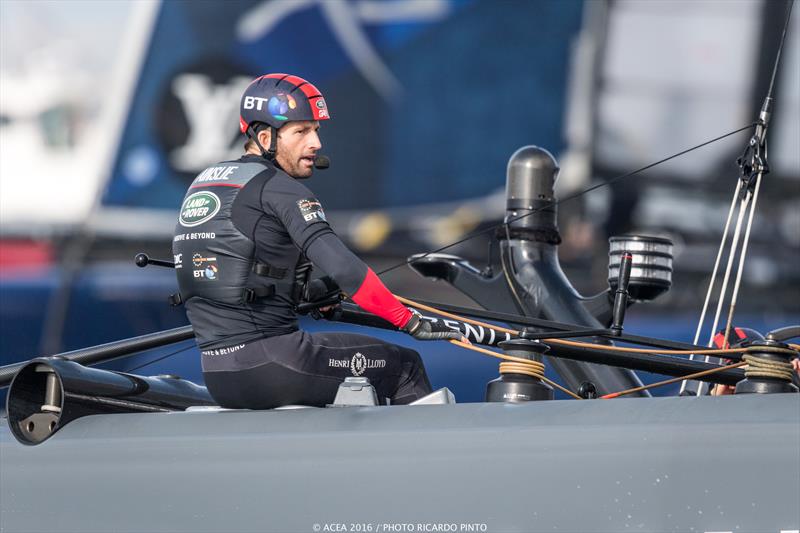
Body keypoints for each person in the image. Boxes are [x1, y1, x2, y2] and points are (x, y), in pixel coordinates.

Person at [172, 73, 462, 409]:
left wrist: (308, 292)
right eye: (301, 131)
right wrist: (408, 320)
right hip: (274, 366)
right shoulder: (280, 187)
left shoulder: (205, 183)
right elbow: (345, 269)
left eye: (316, 130)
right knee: (404, 365)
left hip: (219, 374)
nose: (316, 143)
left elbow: (235, 270)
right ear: (265, 136)